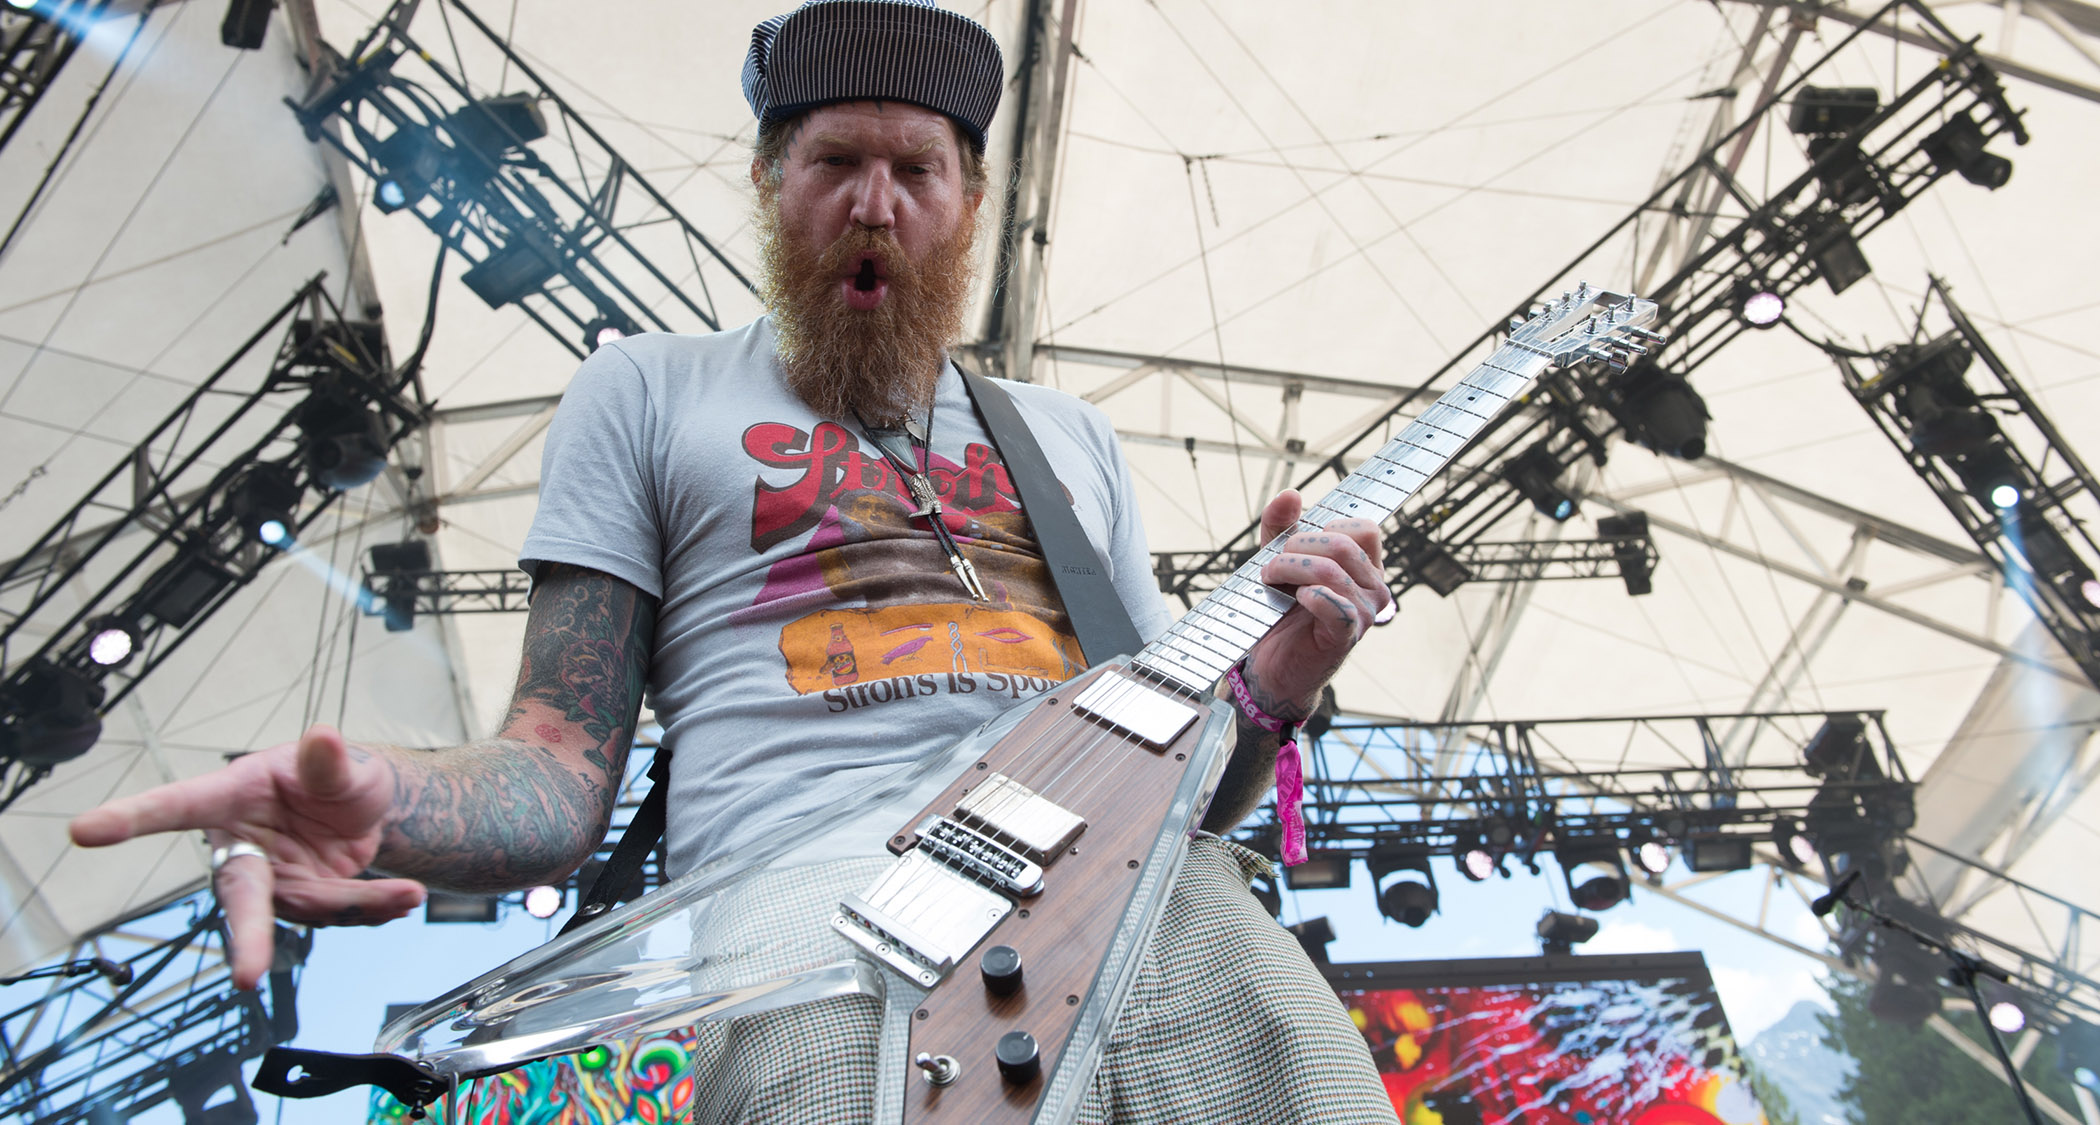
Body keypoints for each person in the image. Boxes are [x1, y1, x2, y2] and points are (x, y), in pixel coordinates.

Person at [71, 1, 1399, 1120]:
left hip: (1158, 911)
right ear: (769, 181)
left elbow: (1174, 784)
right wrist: (393, 806)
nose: (874, 205)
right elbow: (557, 768)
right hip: (806, 920)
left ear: (971, 201)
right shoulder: (645, 391)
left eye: (917, 171)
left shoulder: (1070, 442)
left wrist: (1277, 683)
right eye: (834, 162)